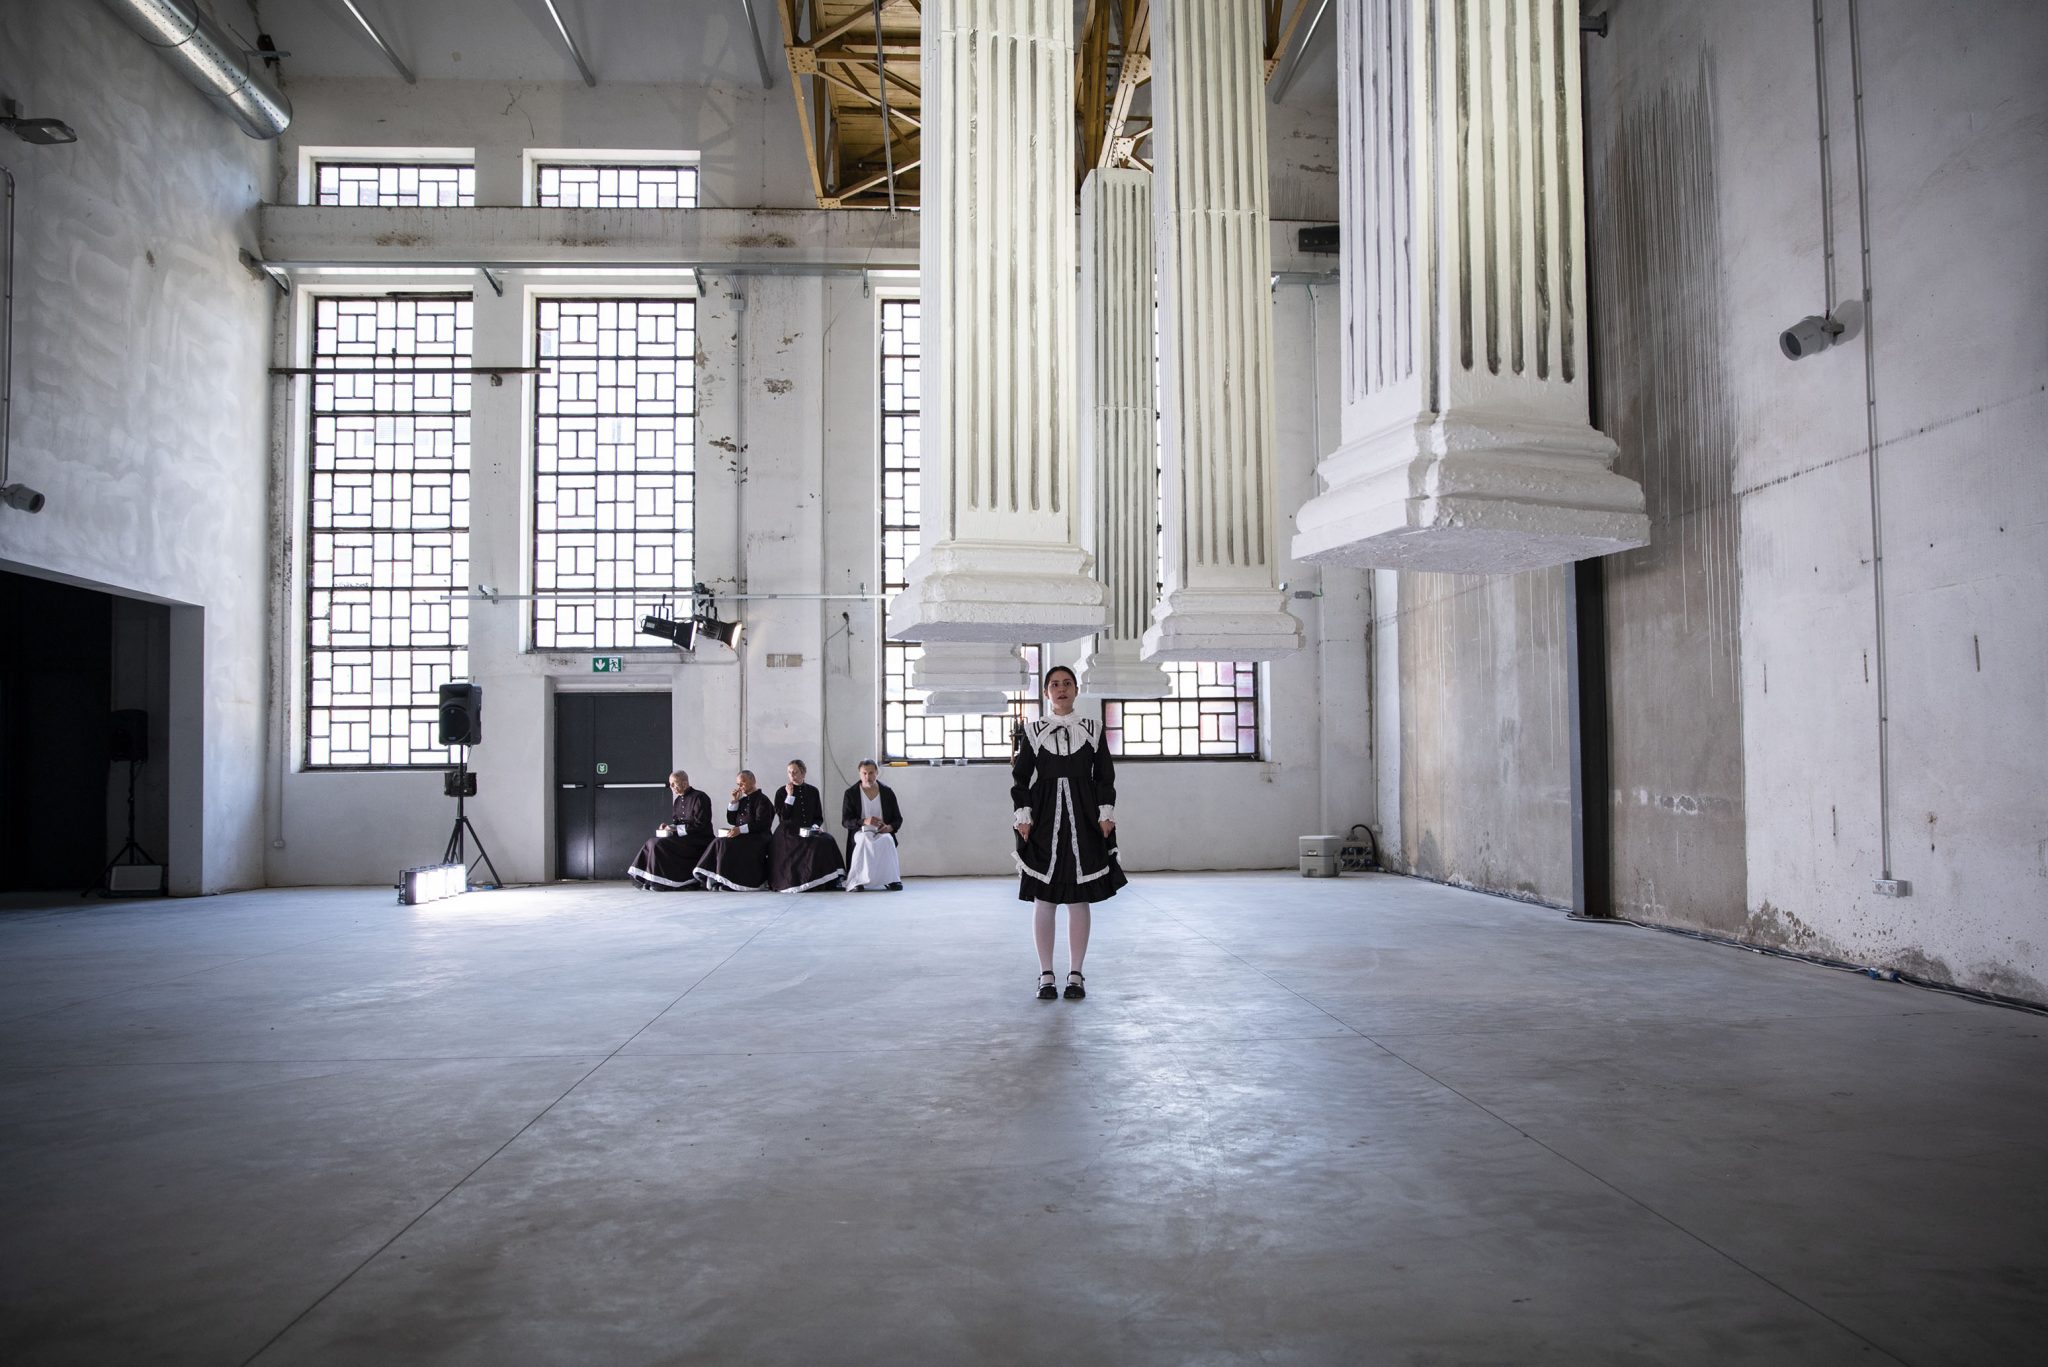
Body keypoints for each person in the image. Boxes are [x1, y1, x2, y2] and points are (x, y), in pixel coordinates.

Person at [1012, 664, 1125, 1000]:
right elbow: (1021, 778)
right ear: (1047, 692)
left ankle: (1076, 974)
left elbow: (1104, 775)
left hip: (1085, 815)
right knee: (1044, 897)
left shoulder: (1092, 728)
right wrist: (1023, 814)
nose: (1061, 689)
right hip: (1045, 816)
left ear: (1076, 689)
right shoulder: (1034, 731)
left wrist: (1105, 811)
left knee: (1078, 898)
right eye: (1054, 684)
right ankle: (1046, 974)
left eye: (1066, 683)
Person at [628, 769, 714, 890]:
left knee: (659, 844)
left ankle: (664, 882)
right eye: (670, 784)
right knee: (652, 841)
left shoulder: (700, 797)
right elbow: (677, 822)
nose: (671, 787)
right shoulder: (677, 800)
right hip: (683, 837)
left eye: (674, 783)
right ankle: (649, 879)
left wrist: (675, 829)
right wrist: (668, 827)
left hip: (699, 839)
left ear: (684, 783)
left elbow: (700, 825)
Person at [767, 759, 845, 892]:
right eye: (789, 772)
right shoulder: (781, 792)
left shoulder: (813, 791)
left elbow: (818, 817)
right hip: (788, 832)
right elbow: (783, 817)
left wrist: (815, 826)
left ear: (803, 773)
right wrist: (790, 796)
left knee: (828, 840)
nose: (792, 775)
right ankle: (807, 881)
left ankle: (833, 879)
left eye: (795, 772)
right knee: (812, 844)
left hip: (809, 830)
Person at [694, 770, 776, 891]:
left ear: (753, 781)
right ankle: (714, 877)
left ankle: (730, 881)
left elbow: (762, 824)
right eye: (738, 784)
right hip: (743, 837)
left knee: (724, 843)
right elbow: (731, 820)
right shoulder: (742, 801)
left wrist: (740, 830)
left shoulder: (763, 800)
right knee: (718, 841)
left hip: (759, 838)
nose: (740, 787)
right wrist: (734, 802)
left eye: (743, 783)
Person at [840, 759, 904, 891]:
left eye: (871, 773)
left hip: (882, 831)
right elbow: (845, 821)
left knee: (887, 840)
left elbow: (898, 818)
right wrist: (863, 821)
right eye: (864, 773)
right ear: (859, 773)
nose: (867, 777)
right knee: (865, 839)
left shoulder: (887, 792)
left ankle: (892, 879)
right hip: (860, 831)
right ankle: (857, 881)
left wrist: (889, 828)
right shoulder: (851, 793)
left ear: (877, 773)